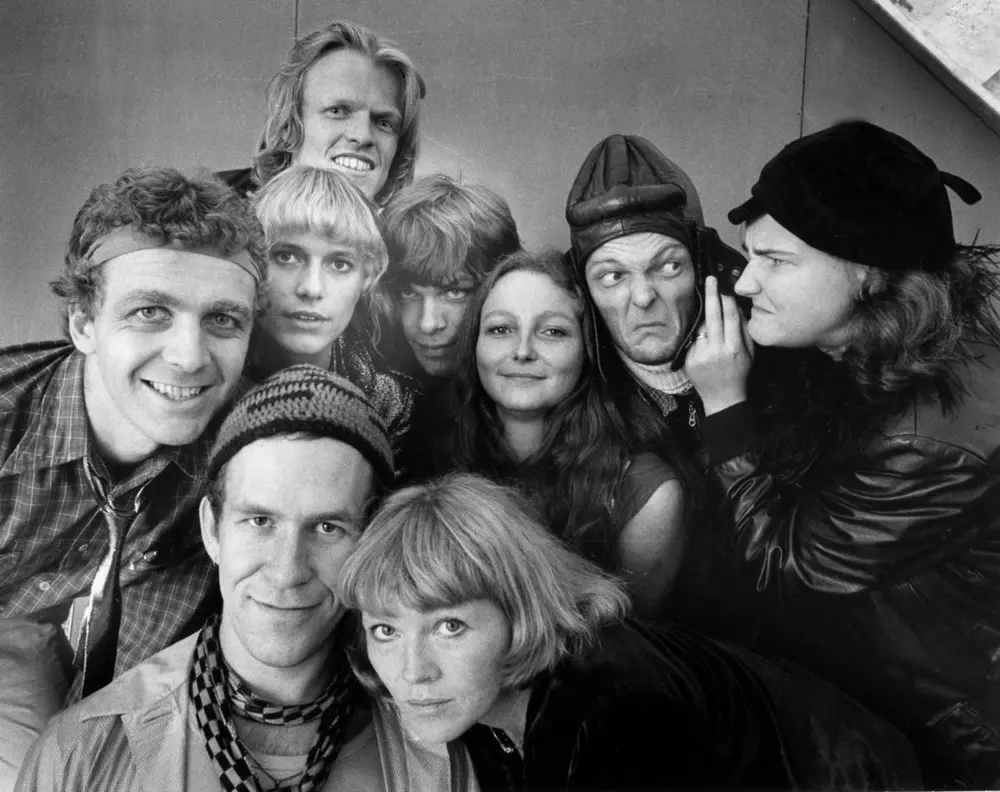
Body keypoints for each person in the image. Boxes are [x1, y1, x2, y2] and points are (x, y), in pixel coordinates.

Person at [685, 119, 1000, 789]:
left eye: (777, 261)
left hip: (961, 742)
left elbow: (788, 570)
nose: (746, 283)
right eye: (751, 255)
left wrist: (724, 406)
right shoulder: (886, 335)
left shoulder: (927, 437)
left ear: (869, 274)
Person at [17, 365, 474, 791]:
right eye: (260, 521)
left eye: (327, 527)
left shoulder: (436, 756)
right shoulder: (81, 754)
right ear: (212, 531)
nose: (287, 571)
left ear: (370, 543)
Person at [336, 473, 921, 791]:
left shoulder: (608, 704)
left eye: (449, 626)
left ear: (520, 611)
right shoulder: (487, 699)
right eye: (385, 629)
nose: (412, 672)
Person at [0, 167, 264, 790]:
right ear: (83, 323)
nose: (189, 356)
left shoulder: (248, 448)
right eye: (149, 312)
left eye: (223, 320)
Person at [446, 250, 687, 616]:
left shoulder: (647, 493)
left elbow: (628, 644)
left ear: (588, 351)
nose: (522, 351)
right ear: (474, 344)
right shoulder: (432, 455)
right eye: (500, 329)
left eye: (553, 332)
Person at [249, 165, 417, 458]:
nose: (311, 288)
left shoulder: (388, 401)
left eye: (340, 264)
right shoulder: (209, 378)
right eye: (286, 256)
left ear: (367, 278)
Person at [381, 174, 523, 482]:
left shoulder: (530, 392)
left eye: (454, 292)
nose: (429, 323)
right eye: (408, 293)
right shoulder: (383, 392)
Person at [219, 19, 426, 205]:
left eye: (384, 123)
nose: (363, 135)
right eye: (337, 111)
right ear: (288, 124)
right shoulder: (212, 220)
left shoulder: (408, 235)